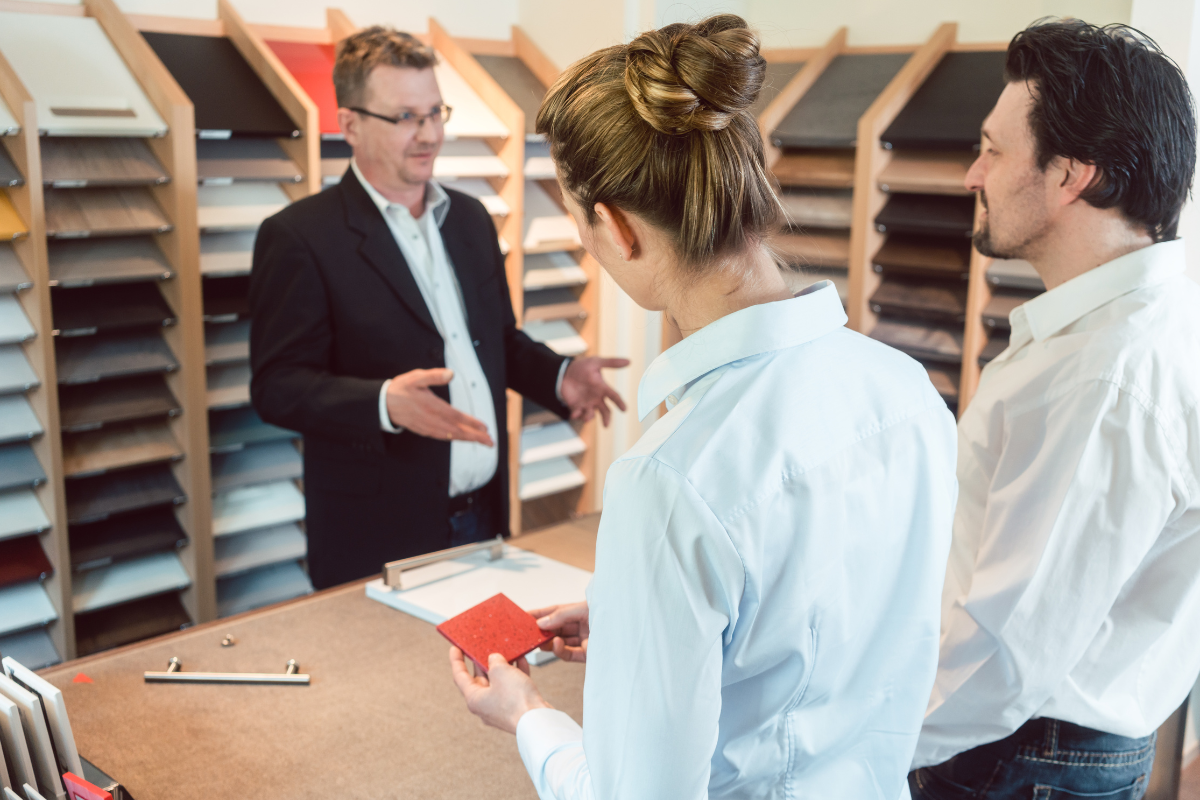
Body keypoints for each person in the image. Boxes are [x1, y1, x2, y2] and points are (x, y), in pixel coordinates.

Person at [447, 15, 958, 798]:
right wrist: (632, 612)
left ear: (615, 229)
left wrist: (528, 718)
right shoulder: (904, 389)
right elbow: (831, 617)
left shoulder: (672, 478)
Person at [908, 20, 1200, 799]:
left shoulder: (1106, 379)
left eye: (994, 150)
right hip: (1042, 752)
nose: (974, 174)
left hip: (1018, 760)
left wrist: (870, 742)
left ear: (1071, 174)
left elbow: (1006, 651)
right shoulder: (1129, 330)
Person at [249, 27, 627, 590]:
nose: (428, 135)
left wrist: (559, 375)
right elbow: (276, 385)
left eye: (435, 113)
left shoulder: (471, 219)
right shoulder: (299, 236)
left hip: (483, 519)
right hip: (377, 535)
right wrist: (382, 403)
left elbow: (493, 338)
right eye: (405, 118)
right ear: (350, 123)